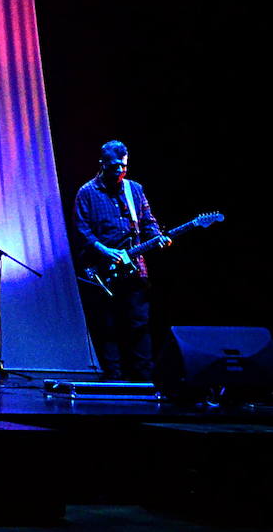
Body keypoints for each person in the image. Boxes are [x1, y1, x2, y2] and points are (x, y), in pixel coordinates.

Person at [72, 140, 170, 381]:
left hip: (136, 269)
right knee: (107, 325)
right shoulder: (87, 192)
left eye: (124, 166)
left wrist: (158, 237)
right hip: (102, 268)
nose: (120, 171)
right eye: (115, 166)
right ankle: (114, 378)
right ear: (102, 164)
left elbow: (148, 221)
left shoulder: (134, 189)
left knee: (139, 322)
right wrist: (104, 250)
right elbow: (82, 229)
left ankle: (144, 379)